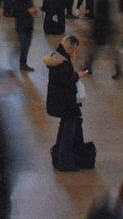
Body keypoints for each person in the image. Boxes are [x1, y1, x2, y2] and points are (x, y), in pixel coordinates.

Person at [45, 35, 92, 171]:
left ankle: (59, 155)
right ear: (70, 48)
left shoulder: (57, 57)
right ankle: (65, 163)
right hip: (66, 102)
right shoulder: (63, 62)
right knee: (68, 132)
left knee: (64, 127)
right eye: (74, 49)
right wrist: (78, 75)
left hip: (59, 101)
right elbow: (67, 82)